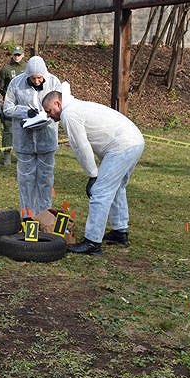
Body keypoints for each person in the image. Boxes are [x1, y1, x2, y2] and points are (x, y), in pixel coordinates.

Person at [43, 84, 144, 255]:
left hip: (122, 145)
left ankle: (92, 242)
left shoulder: (70, 114)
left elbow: (81, 147)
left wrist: (92, 175)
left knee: (100, 192)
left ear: (58, 104)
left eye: (49, 110)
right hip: (134, 141)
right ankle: (120, 231)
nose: (49, 115)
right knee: (116, 187)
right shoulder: (77, 107)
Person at [3, 56, 63, 216]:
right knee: (26, 181)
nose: (37, 81)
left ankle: (44, 215)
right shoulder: (16, 83)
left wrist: (45, 116)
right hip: (24, 142)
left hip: (47, 140)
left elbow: (61, 107)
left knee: (46, 179)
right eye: (33, 78)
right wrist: (25, 112)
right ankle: (28, 215)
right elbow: (7, 108)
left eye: (39, 78)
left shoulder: (54, 82)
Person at [0, 45, 26, 165]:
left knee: (25, 129)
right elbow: (1, 86)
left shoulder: (28, 67)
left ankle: (23, 155)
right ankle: (7, 155)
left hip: (24, 104)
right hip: (10, 104)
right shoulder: (6, 69)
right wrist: (8, 97)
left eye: (19, 54)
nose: (17, 57)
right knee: (8, 130)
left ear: (23, 55)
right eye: (15, 54)